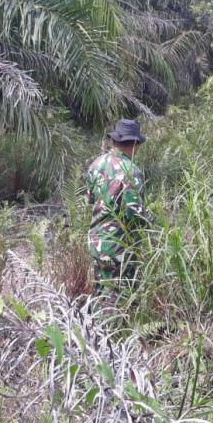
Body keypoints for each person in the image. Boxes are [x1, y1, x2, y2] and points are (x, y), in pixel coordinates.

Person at [86, 119, 148, 306]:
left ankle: (92, 333)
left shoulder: (96, 164)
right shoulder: (132, 172)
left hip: (97, 242)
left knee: (100, 293)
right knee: (119, 298)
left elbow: (91, 200)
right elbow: (135, 215)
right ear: (136, 145)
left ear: (115, 141)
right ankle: (112, 333)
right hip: (119, 247)